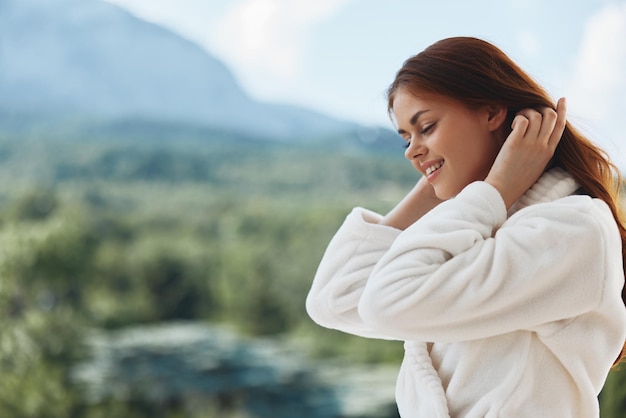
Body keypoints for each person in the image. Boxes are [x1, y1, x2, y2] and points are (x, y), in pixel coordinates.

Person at [305, 36, 626, 417]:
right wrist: (434, 185)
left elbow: (384, 301)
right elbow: (334, 300)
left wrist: (494, 189)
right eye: (406, 138)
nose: (411, 151)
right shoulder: (478, 228)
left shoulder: (571, 231)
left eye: (426, 127)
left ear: (492, 112)